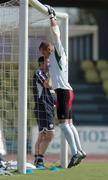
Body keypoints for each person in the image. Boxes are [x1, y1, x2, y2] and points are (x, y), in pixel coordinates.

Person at [39, 6, 86, 168]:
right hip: (66, 90)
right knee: (69, 124)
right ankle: (79, 150)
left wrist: (52, 17)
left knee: (63, 124)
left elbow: (56, 34)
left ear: (49, 49)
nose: (44, 56)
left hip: (64, 92)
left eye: (44, 53)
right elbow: (52, 78)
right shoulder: (53, 60)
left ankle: (75, 153)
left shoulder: (57, 51)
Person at [33, 56, 56, 169]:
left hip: (49, 108)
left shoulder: (47, 74)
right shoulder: (39, 73)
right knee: (50, 135)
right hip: (42, 108)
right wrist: (51, 73)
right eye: (47, 63)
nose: (49, 65)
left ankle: (38, 161)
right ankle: (40, 160)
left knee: (42, 135)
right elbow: (48, 84)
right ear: (41, 64)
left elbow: (52, 90)